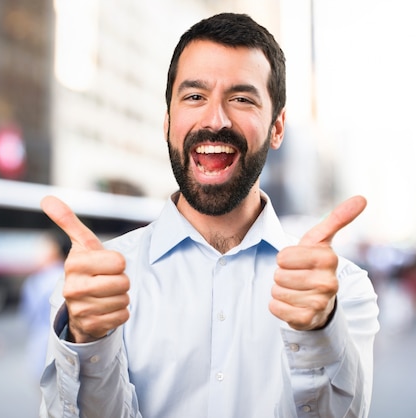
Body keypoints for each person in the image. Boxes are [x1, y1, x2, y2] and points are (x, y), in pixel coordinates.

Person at [39, 12, 379, 418]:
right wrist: (87, 340)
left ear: (277, 127)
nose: (215, 120)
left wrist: (318, 331)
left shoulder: (342, 290)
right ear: (168, 122)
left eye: (241, 98)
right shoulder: (96, 285)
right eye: (195, 96)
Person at [19, 230, 70, 382]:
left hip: (41, 350)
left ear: (55, 249)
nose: (35, 253)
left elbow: (28, 317)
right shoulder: (70, 275)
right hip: (67, 354)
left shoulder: (36, 281)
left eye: (41, 247)